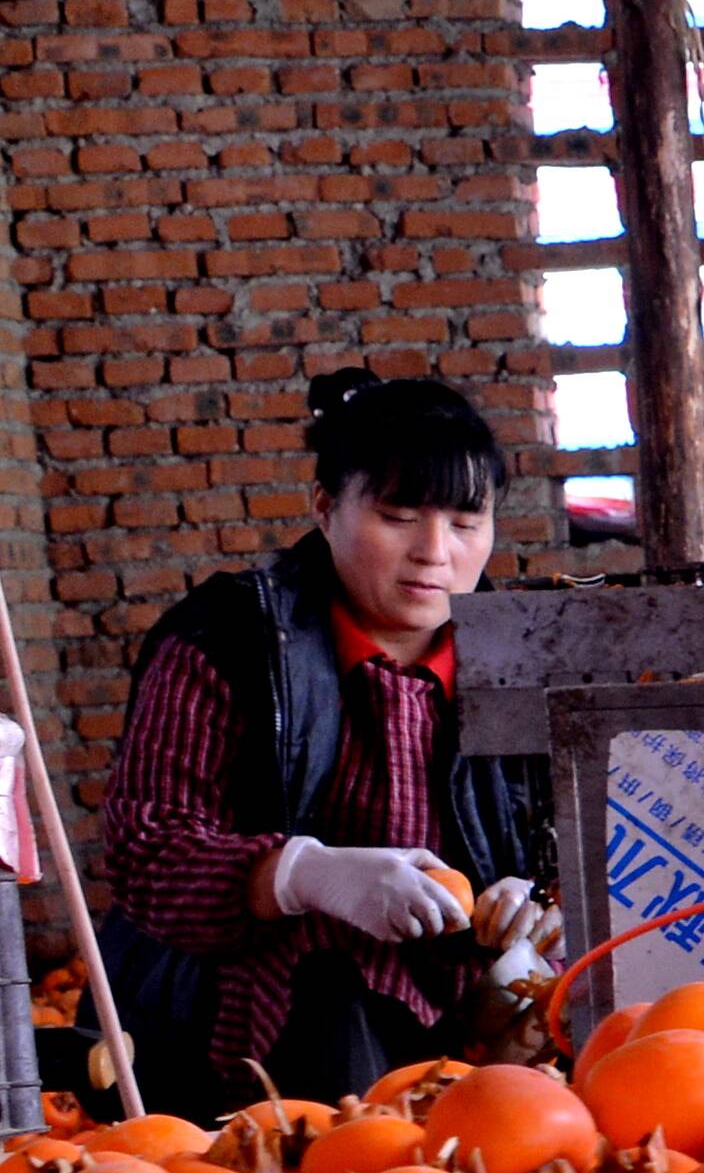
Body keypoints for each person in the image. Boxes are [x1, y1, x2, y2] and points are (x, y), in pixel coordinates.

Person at [92, 370, 548, 1118]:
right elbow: (147, 852)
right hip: (254, 1025)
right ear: (325, 507)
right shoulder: (229, 641)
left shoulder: (519, 659)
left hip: (472, 1018)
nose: (435, 553)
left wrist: (535, 901)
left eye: (466, 525)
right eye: (399, 515)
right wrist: (299, 873)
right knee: (339, 1009)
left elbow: (562, 842)